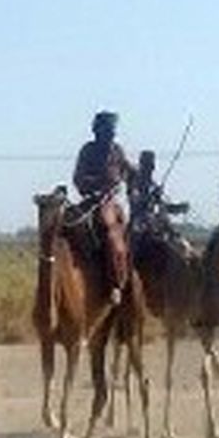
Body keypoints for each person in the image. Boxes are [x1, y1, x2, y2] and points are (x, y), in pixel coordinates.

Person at [73, 111, 136, 305]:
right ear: (97, 131)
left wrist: (139, 176)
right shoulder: (88, 151)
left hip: (112, 203)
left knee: (111, 229)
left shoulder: (117, 151)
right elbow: (78, 178)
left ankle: (116, 284)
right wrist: (96, 183)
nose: (111, 135)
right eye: (107, 131)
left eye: (113, 131)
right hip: (91, 200)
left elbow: (129, 172)